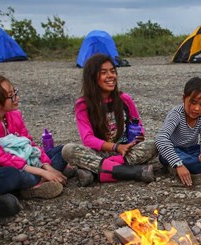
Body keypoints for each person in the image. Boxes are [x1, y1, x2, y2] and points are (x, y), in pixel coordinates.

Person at [0, 72, 67, 199]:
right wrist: (42, 171)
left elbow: (30, 144)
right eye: (10, 96)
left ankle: (38, 183)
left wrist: (47, 167)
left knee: (62, 151)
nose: (16, 98)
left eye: (15, 92)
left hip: (25, 161)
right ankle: (37, 183)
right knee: (13, 175)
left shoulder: (13, 114)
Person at [61, 54, 157, 185]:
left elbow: (137, 124)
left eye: (112, 71)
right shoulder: (83, 104)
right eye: (104, 73)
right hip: (99, 153)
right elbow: (87, 139)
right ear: (92, 77)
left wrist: (138, 136)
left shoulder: (124, 99)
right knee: (68, 150)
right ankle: (132, 172)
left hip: (124, 153)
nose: (111, 76)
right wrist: (116, 147)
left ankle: (95, 173)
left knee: (154, 145)